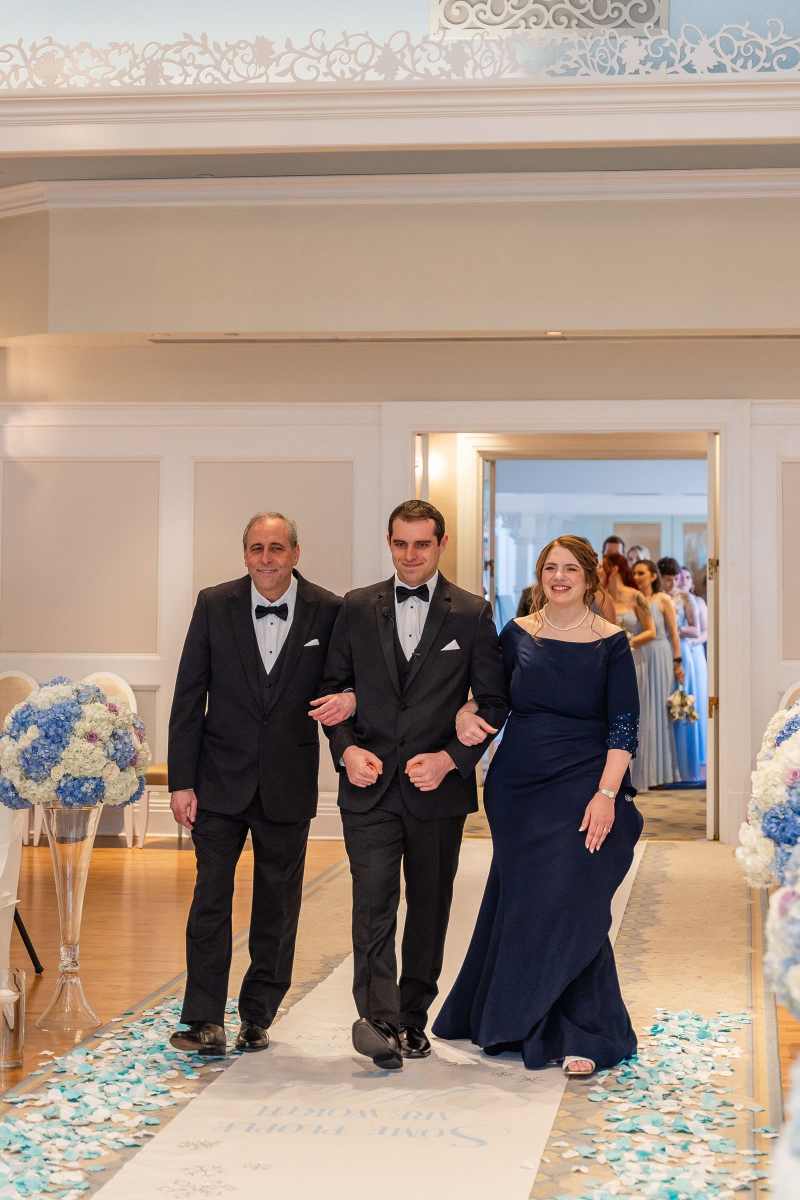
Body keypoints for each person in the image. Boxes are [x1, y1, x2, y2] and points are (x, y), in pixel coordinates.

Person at [434, 535, 642, 1078]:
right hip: (519, 789)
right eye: (550, 567)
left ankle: (584, 1028)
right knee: (527, 903)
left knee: (574, 904)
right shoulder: (517, 633)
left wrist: (606, 795)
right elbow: (493, 699)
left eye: (571, 568)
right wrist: (466, 713)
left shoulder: (611, 643)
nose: (559, 577)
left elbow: (623, 728)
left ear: (590, 578)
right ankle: (523, 1019)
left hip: (585, 786)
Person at [321, 499, 509, 1071]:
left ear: (441, 545)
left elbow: (496, 702)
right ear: (389, 542)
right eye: (401, 544)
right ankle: (378, 1021)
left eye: (421, 544)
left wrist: (452, 759)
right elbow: (334, 693)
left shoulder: (472, 614)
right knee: (372, 905)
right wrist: (347, 750)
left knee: (429, 908)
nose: (410, 555)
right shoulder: (356, 607)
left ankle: (412, 1019)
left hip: (436, 793)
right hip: (369, 789)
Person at [167, 512, 348, 1056]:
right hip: (218, 782)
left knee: (278, 905)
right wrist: (181, 781)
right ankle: (203, 1019)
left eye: (276, 548)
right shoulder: (213, 604)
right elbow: (187, 696)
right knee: (210, 903)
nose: (266, 558)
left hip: (288, 785)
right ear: (244, 554)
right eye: (255, 549)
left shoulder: (329, 610)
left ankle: (257, 1015)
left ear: (296, 552)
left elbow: (342, 687)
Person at [600, 552, 655, 793]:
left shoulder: (636, 596)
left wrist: (627, 642)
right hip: (604, 661)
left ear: (614, 569)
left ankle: (638, 775)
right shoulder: (599, 597)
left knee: (630, 716)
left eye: (604, 566)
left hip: (634, 658)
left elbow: (651, 630)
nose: (600, 570)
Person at [631, 559, 682, 788]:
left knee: (658, 711)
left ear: (653, 575)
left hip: (661, 654)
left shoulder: (663, 599)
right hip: (641, 656)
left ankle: (660, 773)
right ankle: (644, 772)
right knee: (644, 710)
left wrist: (677, 662)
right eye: (634, 573)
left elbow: (674, 633)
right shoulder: (636, 599)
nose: (637, 576)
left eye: (641, 573)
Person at [657, 556, 704, 782]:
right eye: (666, 579)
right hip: (665, 652)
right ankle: (668, 767)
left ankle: (687, 768)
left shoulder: (686, 598)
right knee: (666, 703)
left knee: (683, 703)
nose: (671, 583)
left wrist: (676, 629)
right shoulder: (658, 598)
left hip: (683, 653)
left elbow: (696, 630)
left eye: (673, 578)